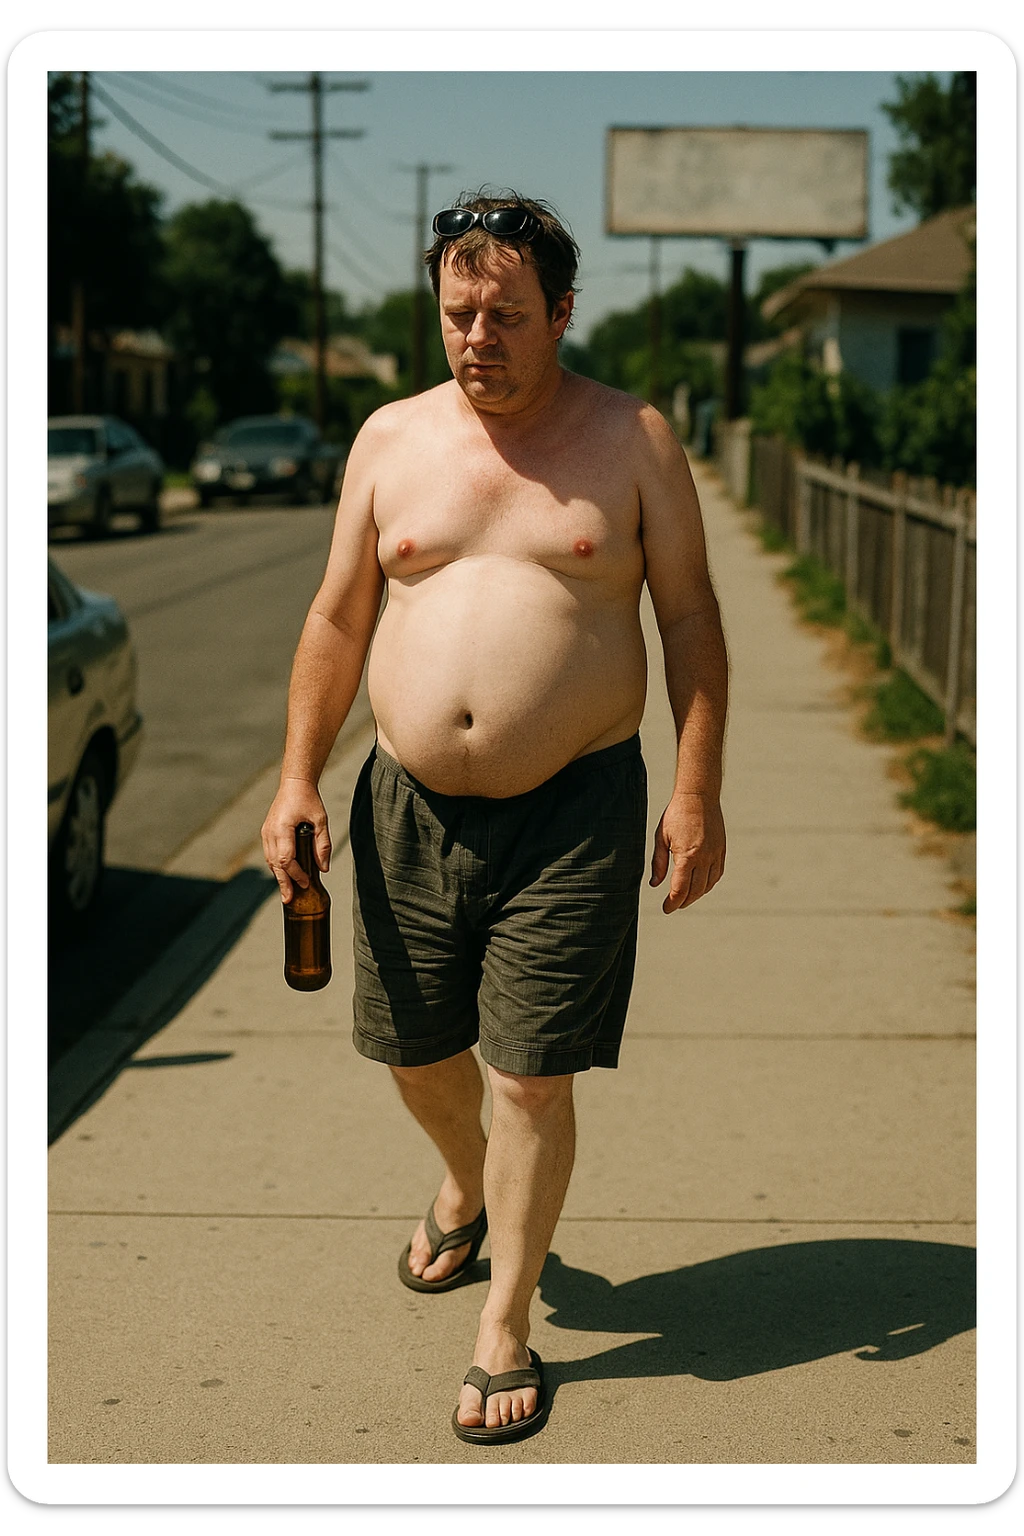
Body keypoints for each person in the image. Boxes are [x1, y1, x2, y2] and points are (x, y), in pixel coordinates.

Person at [261, 191, 728, 1446]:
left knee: (529, 1075)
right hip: (405, 807)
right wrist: (299, 774)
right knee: (415, 1054)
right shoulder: (388, 440)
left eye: (507, 315)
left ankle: (504, 1324)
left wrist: (694, 788)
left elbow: (687, 619)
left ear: (562, 313)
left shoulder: (631, 439)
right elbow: (338, 619)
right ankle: (464, 1188)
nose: (478, 338)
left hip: (574, 807)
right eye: (459, 313)